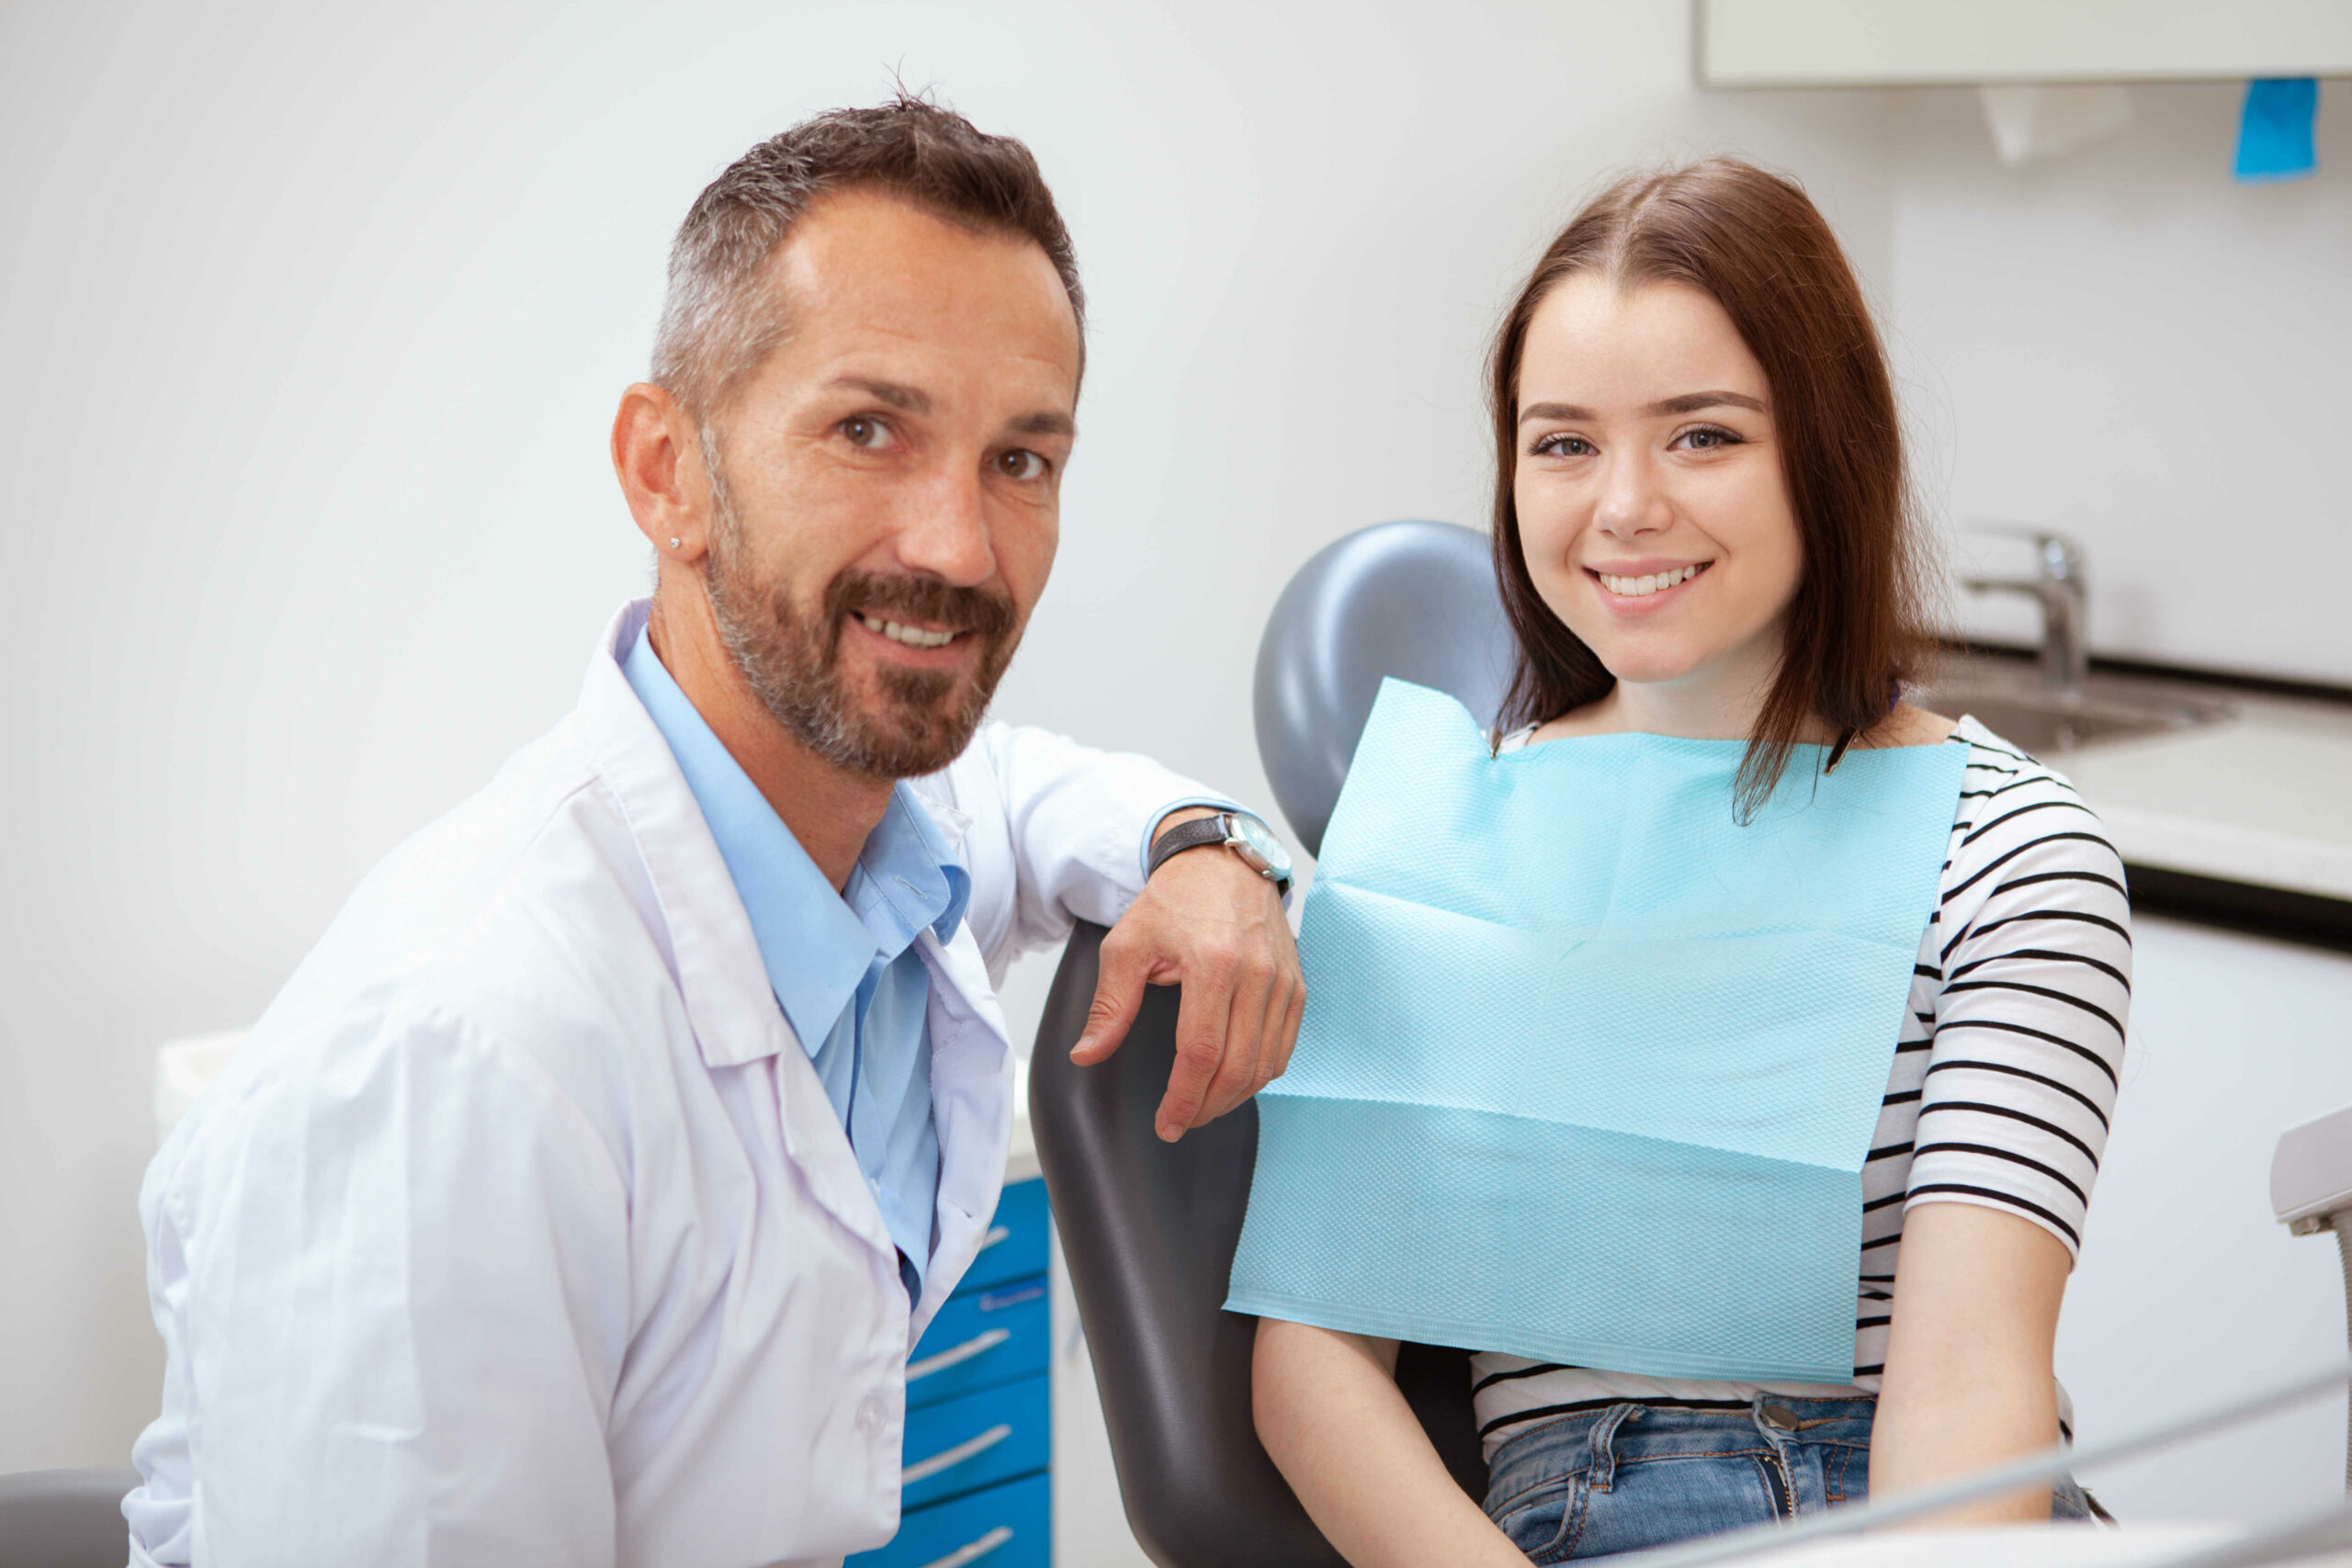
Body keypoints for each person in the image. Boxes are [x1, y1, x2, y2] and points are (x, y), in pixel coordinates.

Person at [125, 98, 1305, 1568]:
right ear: (666, 472)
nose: (957, 546)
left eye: (1022, 460)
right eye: (868, 430)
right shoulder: (463, 1067)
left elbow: (1024, 792)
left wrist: (1209, 846)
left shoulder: (868, 838)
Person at [1250, 159, 2129, 1563]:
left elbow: (1969, 1387)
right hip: (1595, 1510)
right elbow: (1313, 1374)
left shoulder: (2014, 848)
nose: (1626, 507)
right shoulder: (1436, 838)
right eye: (1564, 444)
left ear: (1826, 450)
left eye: (1703, 436)